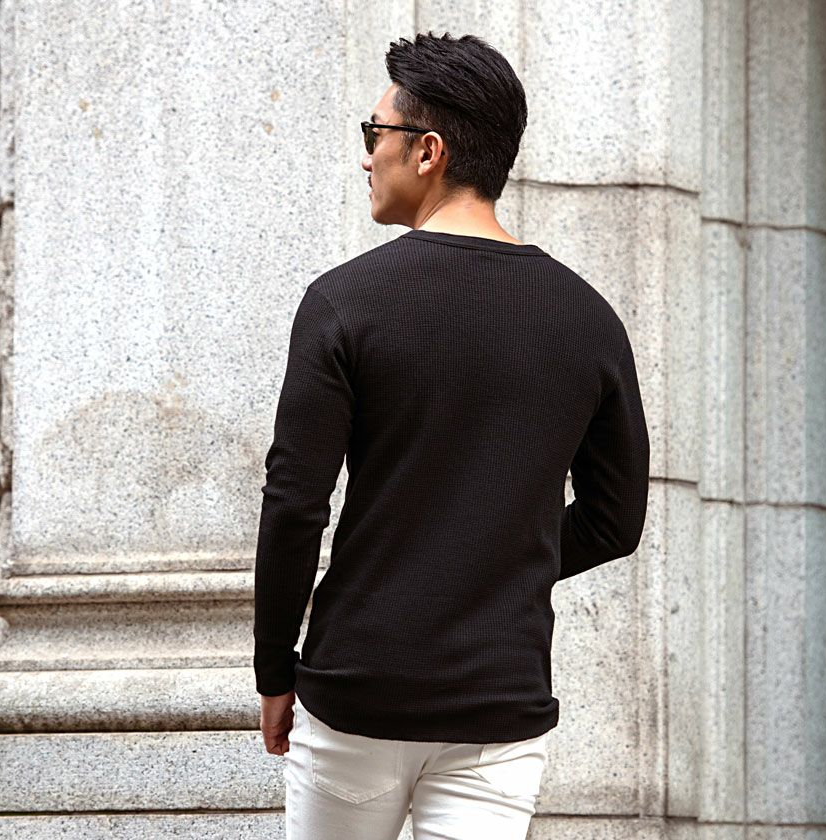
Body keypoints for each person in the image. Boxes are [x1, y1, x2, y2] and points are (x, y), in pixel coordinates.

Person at [253, 30, 650, 840]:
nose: (367, 155)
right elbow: (615, 522)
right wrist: (491, 564)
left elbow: (295, 505)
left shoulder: (343, 303)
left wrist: (273, 670)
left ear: (428, 150)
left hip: (356, 689)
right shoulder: (589, 319)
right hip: (496, 705)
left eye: (376, 133)